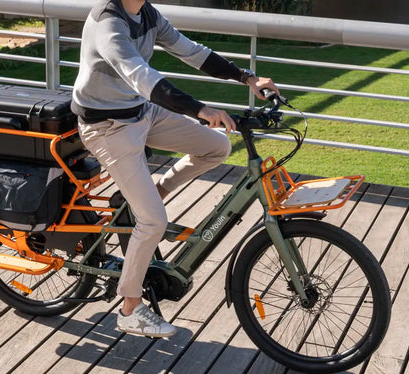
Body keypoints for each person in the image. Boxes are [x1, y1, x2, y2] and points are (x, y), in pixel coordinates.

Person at [71, 0, 279, 337]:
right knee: (154, 220)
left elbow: (192, 52)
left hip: (141, 112)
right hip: (107, 126)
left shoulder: (147, 14)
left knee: (217, 146)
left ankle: (154, 194)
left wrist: (248, 77)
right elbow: (143, 78)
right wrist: (200, 109)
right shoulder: (108, 22)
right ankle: (130, 308)